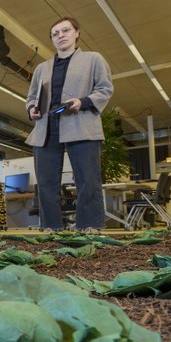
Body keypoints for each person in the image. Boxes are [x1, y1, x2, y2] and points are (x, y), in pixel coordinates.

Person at [25, 16, 113, 232]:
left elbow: (105, 89)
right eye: (55, 33)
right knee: (46, 184)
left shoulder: (93, 59)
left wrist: (82, 102)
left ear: (77, 33)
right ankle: (50, 228)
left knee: (87, 180)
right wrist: (32, 109)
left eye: (65, 30)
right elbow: (31, 98)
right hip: (47, 128)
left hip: (81, 124)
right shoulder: (42, 68)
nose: (60, 36)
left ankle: (89, 227)